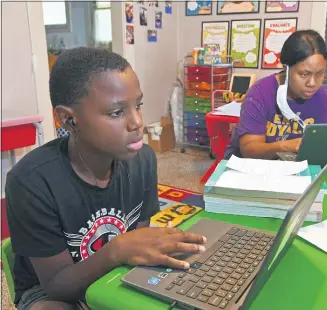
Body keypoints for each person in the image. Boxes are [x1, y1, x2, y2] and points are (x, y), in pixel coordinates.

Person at [6, 47, 207, 310]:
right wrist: (117, 250)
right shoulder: (31, 182)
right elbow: (56, 285)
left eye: (138, 105)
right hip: (53, 291)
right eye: (116, 112)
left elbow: (140, 239)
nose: (137, 123)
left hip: (116, 268)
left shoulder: (143, 160)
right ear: (69, 119)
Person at [225, 29, 327, 160]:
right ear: (286, 68)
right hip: (252, 168)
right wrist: (285, 146)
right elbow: (249, 150)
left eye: (319, 74)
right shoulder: (260, 93)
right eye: (304, 74)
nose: (312, 83)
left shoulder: (322, 97)